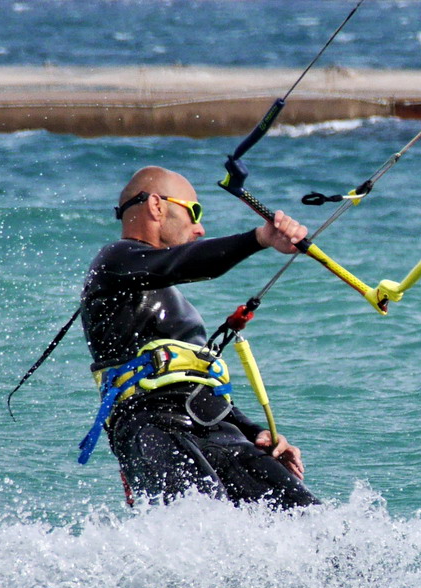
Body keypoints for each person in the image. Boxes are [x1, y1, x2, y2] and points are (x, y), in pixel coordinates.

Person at [79, 166, 321, 510]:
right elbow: (181, 264)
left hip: (221, 430)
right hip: (154, 430)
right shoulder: (114, 262)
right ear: (157, 206)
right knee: (207, 525)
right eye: (194, 212)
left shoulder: (177, 307)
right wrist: (260, 239)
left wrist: (256, 432)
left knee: (311, 519)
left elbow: (193, 384)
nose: (200, 228)